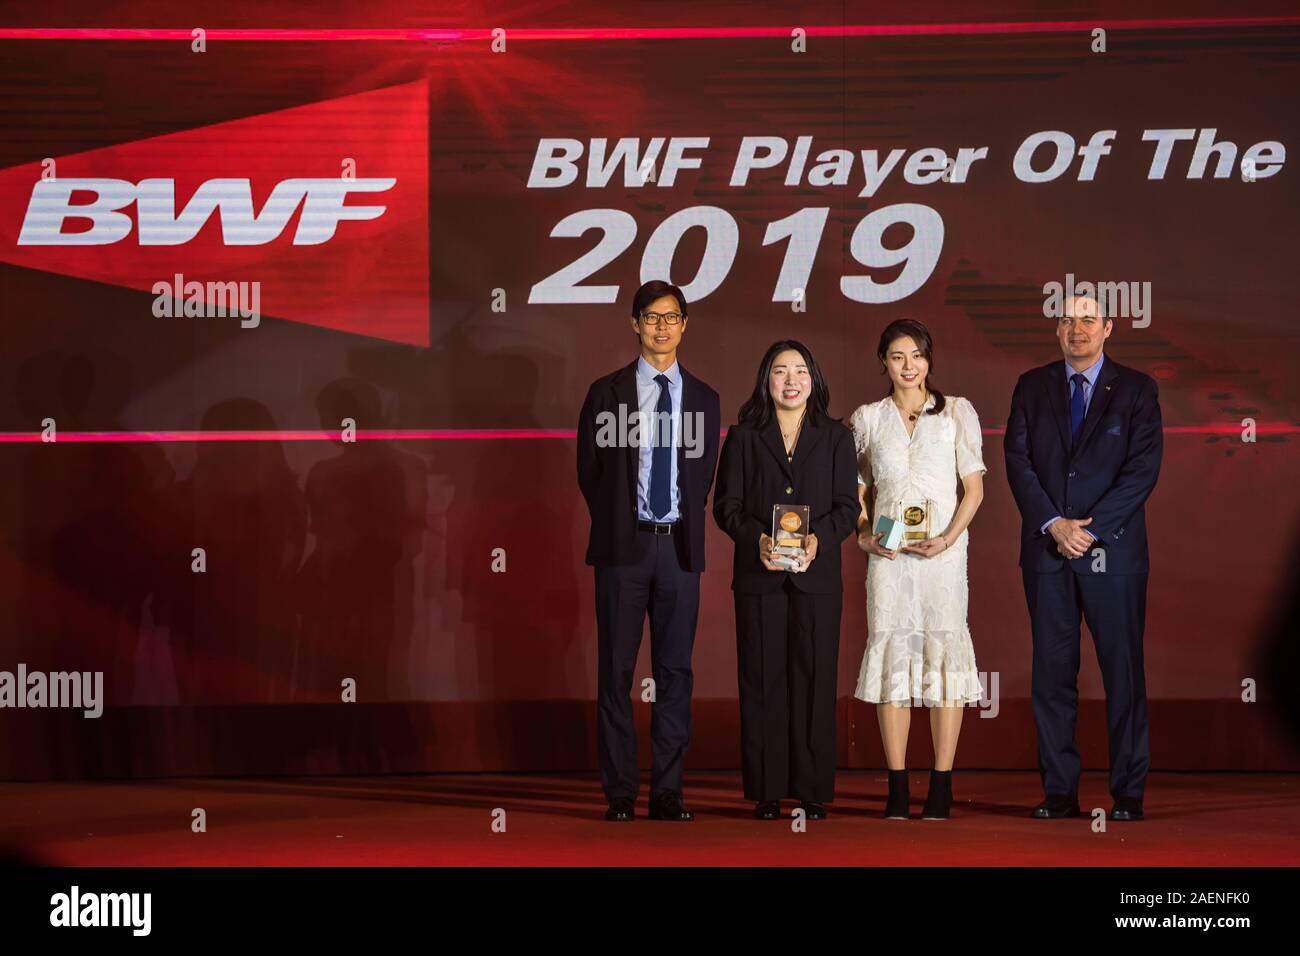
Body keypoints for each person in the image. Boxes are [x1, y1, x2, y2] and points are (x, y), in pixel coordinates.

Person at [1004, 292, 1162, 822]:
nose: (1077, 328)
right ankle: (1059, 792)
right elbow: (1018, 461)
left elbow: (1142, 470)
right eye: (1068, 319)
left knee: (1123, 673)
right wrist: (1054, 525)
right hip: (1049, 553)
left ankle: (1129, 792)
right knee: (1051, 676)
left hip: (1111, 554)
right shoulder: (1031, 386)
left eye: (1088, 320)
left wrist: (1090, 532)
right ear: (1057, 329)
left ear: (1108, 328)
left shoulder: (1138, 390)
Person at [576, 280, 721, 822]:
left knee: (675, 672)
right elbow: (590, 473)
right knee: (615, 670)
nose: (662, 326)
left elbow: (701, 475)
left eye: (672, 317)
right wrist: (622, 522)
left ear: (684, 325)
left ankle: (667, 790)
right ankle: (619, 791)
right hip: (624, 548)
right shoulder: (605, 393)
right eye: (651, 317)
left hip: (679, 551)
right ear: (634, 324)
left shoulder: (704, 398)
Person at [712, 341, 858, 820]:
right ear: (765, 380)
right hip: (760, 577)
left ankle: (813, 790)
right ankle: (767, 790)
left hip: (818, 580)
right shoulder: (744, 435)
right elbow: (726, 507)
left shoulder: (836, 436)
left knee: (815, 681)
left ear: (813, 379)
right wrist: (757, 540)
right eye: (780, 372)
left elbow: (847, 507)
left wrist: (820, 540)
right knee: (762, 679)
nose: (790, 381)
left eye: (799, 371)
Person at [850, 319, 987, 820]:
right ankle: (897, 786)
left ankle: (943, 784)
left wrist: (948, 538)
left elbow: (973, 489)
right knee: (893, 658)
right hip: (889, 561)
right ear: (883, 362)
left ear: (929, 359)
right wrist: (864, 534)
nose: (909, 366)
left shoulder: (956, 413)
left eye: (917, 356)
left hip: (942, 559)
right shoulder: (867, 419)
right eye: (898, 357)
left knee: (944, 659)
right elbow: (857, 492)